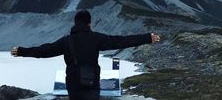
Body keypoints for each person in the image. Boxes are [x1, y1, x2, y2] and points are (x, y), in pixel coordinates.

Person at [11, 10, 160, 100]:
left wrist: (21, 51)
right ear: (89, 23)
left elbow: (44, 51)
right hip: (91, 83)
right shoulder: (96, 38)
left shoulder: (66, 40)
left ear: (75, 24)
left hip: (73, 85)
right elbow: (120, 41)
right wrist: (147, 38)